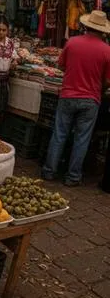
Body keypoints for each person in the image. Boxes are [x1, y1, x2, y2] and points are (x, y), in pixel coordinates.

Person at [43, 10, 110, 186]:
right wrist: (98, 88)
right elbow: (108, 81)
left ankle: (49, 171)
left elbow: (62, 66)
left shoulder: (72, 43)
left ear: (86, 25)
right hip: (91, 99)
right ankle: (72, 177)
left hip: (68, 95)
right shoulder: (106, 51)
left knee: (60, 134)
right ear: (103, 30)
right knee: (82, 139)